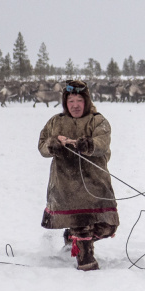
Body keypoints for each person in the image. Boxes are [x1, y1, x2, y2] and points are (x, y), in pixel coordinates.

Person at [38, 79, 119, 271]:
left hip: (96, 185)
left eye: (79, 101)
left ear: (87, 101)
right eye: (70, 101)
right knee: (81, 223)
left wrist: (89, 145)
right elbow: (42, 146)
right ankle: (86, 264)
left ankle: (71, 238)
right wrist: (53, 144)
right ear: (65, 102)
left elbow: (102, 142)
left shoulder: (98, 121)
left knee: (108, 226)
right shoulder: (55, 122)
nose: (75, 105)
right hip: (66, 187)